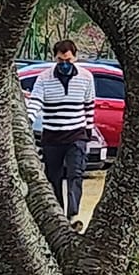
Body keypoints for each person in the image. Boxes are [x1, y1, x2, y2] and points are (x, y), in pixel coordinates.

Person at [32, 39, 95, 229]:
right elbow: (36, 101)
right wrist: (27, 119)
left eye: (68, 60)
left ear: (75, 57)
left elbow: (89, 105)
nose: (65, 64)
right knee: (54, 176)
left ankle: (73, 214)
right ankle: (58, 215)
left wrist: (88, 131)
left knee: (76, 173)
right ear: (55, 59)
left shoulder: (86, 77)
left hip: (76, 133)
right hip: (52, 135)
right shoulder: (44, 78)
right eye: (61, 61)